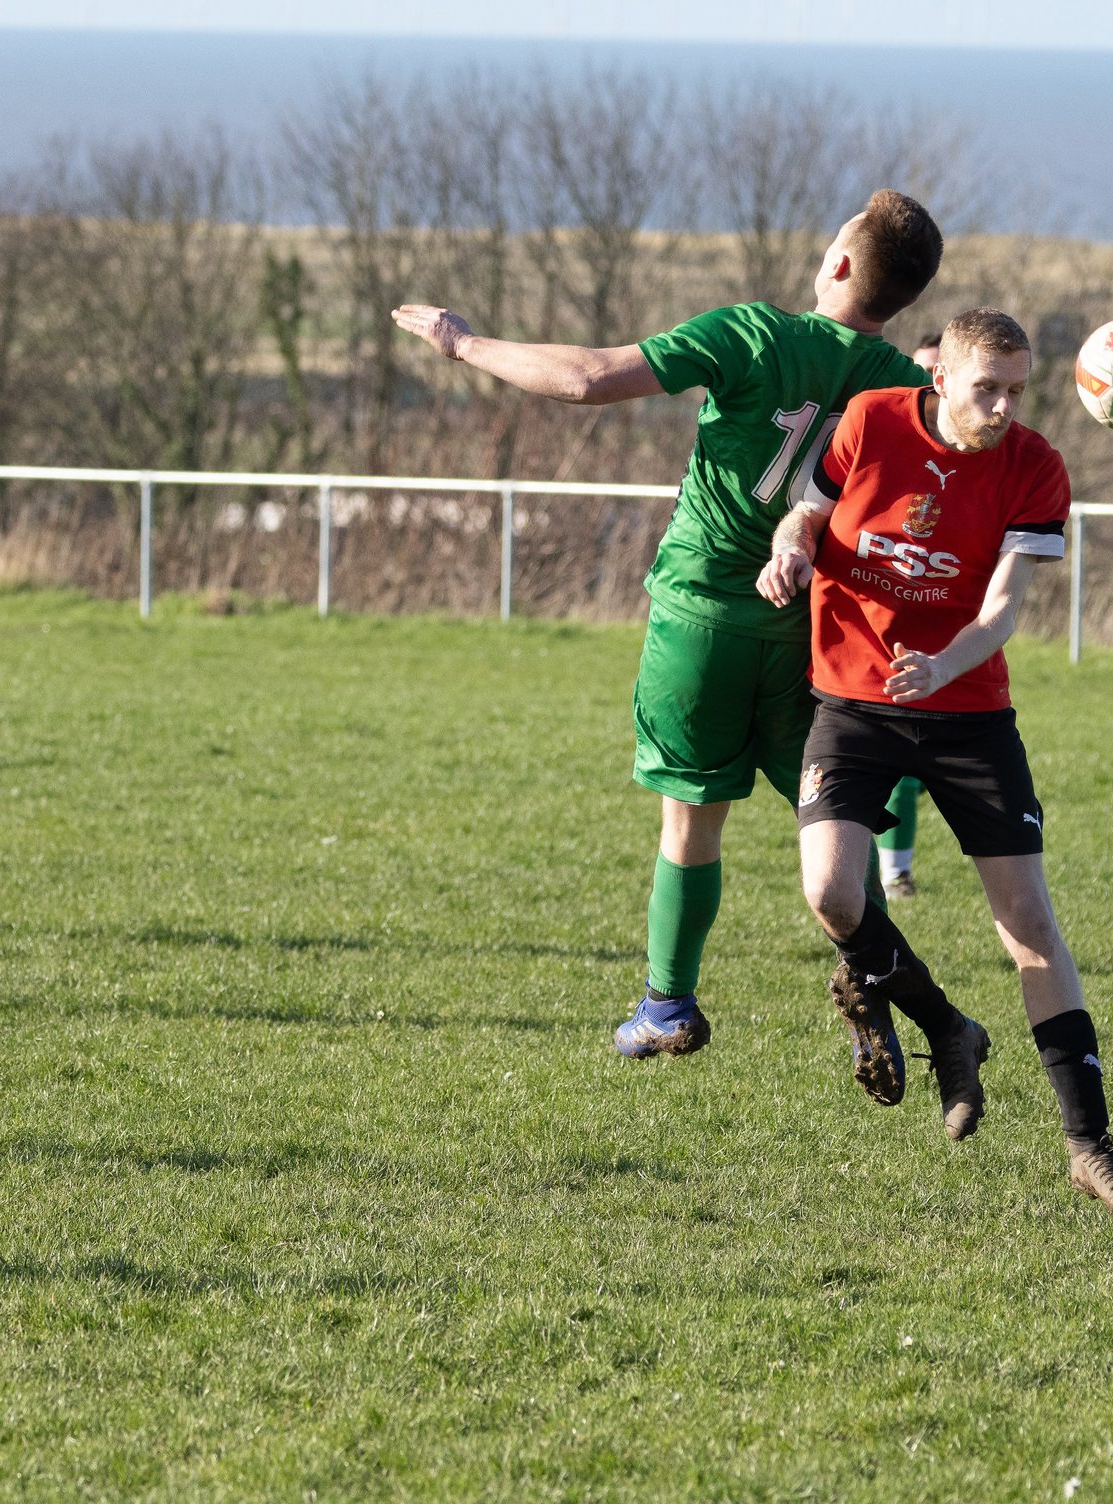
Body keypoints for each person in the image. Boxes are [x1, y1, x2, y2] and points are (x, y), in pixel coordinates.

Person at [392, 190, 943, 1059]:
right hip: (813, 634)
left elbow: (587, 378)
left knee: (691, 820)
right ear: (905, 300)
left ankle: (668, 1006)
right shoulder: (910, 390)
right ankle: (875, 990)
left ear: (838, 263)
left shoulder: (756, 333)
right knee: (833, 830)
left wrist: (462, 343)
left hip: (703, 619)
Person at [757, 308, 1113, 1220]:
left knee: (1027, 920)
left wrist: (945, 663)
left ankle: (1091, 1146)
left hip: (967, 712)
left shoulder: (1034, 466)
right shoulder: (870, 420)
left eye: (1019, 390)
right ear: (940, 378)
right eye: (989, 389)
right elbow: (806, 516)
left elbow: (1007, 605)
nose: (1005, 407)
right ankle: (947, 1028)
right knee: (832, 893)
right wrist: (788, 553)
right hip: (853, 705)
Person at [876, 329, 942, 901]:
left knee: (917, 770)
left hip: (945, 625)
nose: (931, 383)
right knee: (900, 761)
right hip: (878, 620)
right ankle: (893, 873)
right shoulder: (887, 438)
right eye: (923, 372)